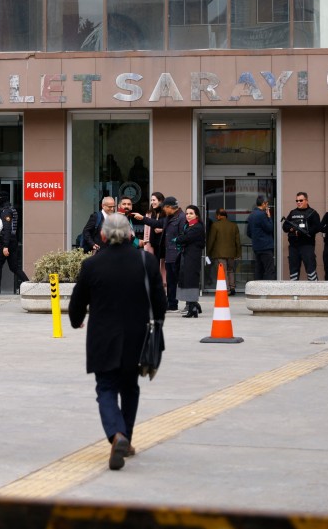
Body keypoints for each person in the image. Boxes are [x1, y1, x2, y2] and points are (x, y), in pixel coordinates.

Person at [68, 213, 166, 471]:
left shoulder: (92, 265)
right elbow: (160, 301)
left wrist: (76, 320)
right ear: (131, 234)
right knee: (130, 387)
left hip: (103, 336)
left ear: (102, 235)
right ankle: (127, 439)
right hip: (137, 336)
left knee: (106, 388)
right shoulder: (146, 261)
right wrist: (158, 325)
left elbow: (78, 301)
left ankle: (117, 435)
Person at [138, 196, 183, 311]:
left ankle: (188, 303)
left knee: (179, 280)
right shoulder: (169, 217)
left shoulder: (181, 217)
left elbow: (183, 236)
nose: (163, 210)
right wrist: (142, 218)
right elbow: (156, 223)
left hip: (177, 254)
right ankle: (172, 304)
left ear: (169, 207)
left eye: (164, 208)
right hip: (169, 254)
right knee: (170, 280)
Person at [173, 205, 207, 317]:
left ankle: (193, 307)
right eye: (187, 213)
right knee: (187, 280)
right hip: (186, 257)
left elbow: (185, 238)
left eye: (191, 213)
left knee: (191, 281)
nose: (188, 216)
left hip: (193, 258)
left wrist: (177, 239)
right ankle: (193, 305)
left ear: (196, 215)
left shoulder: (197, 227)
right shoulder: (188, 226)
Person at [282, 191, 321, 281]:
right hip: (293, 247)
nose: (298, 202)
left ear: (306, 200)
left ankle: (314, 292)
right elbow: (285, 227)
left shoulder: (313, 213)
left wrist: (303, 232)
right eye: (297, 200)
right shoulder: (292, 212)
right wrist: (292, 229)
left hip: (307, 246)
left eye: (301, 200)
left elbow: (317, 228)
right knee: (293, 271)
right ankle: (294, 293)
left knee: (311, 270)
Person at [206, 208, 242, 295]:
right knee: (230, 270)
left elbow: (211, 240)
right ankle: (232, 287)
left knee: (223, 272)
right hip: (231, 254)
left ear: (218, 215)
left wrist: (208, 252)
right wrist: (238, 253)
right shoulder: (234, 225)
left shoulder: (215, 225)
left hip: (219, 254)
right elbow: (238, 241)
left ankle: (227, 290)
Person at [246, 196, 276, 281]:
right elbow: (270, 228)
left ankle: (257, 291)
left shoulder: (251, 215)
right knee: (269, 270)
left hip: (257, 247)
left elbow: (248, 233)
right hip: (266, 247)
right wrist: (269, 217)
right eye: (267, 204)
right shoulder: (262, 215)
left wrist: (257, 238)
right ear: (263, 203)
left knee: (259, 270)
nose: (267, 206)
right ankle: (269, 291)